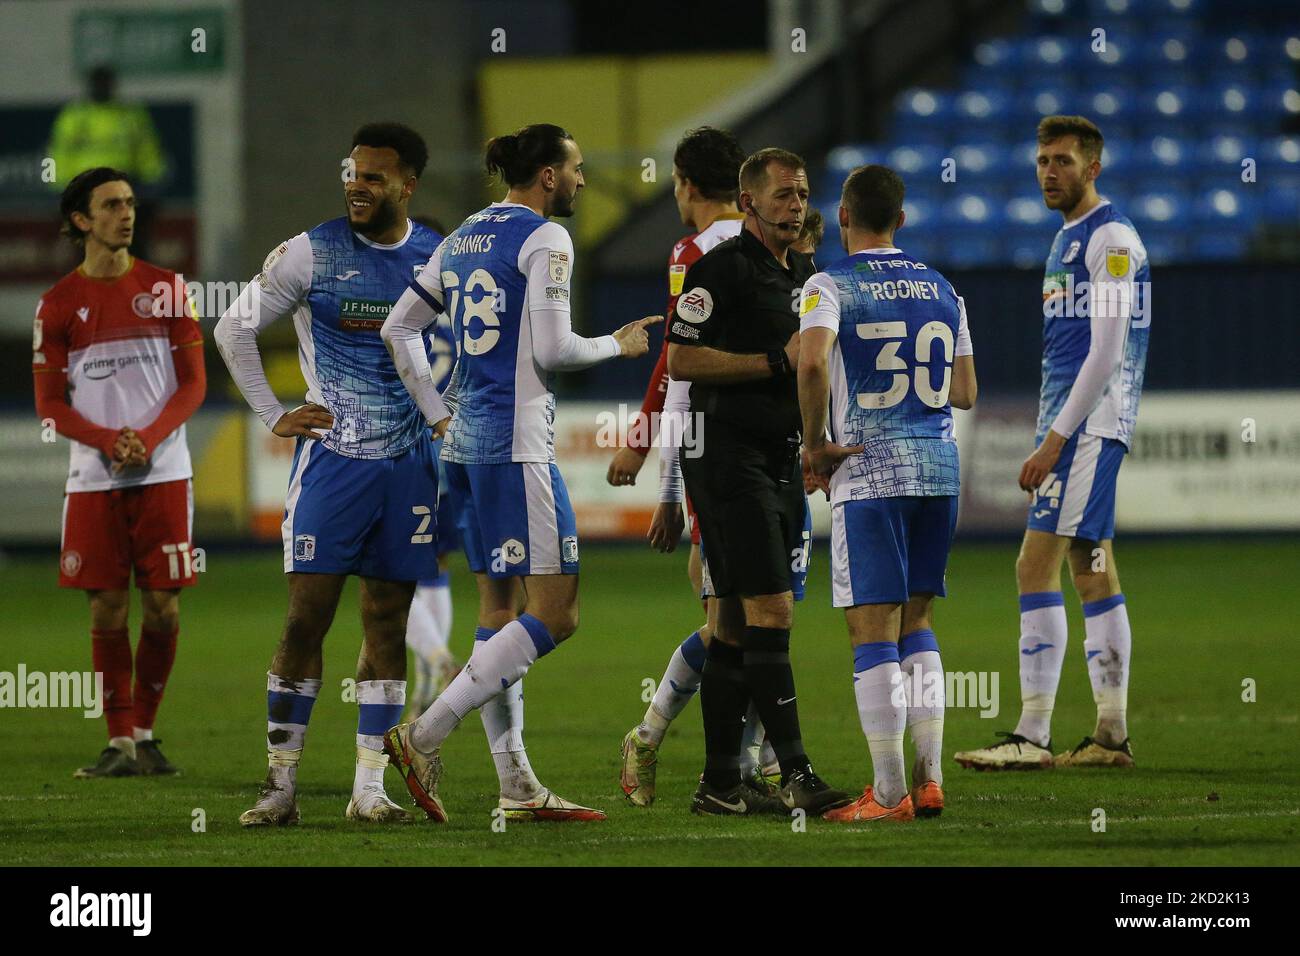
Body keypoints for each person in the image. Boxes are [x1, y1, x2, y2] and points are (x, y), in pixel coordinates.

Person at [381, 123, 658, 821]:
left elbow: (398, 327)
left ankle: (516, 785)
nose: (583, 181)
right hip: (517, 449)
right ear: (546, 177)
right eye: (576, 168)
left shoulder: (464, 234)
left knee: (498, 611)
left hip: (465, 449)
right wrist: (618, 345)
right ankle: (424, 733)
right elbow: (556, 346)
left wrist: (434, 410)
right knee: (556, 613)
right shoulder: (545, 237)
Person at [216, 123, 445, 825]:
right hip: (332, 467)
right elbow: (233, 328)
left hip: (409, 467)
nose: (357, 185)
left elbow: (472, 343)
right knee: (305, 618)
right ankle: (281, 785)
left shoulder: (440, 255)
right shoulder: (310, 253)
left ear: (407, 185)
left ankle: (367, 791)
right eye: (352, 172)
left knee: (387, 622)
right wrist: (271, 412)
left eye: (374, 177)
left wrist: (449, 412)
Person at [954, 115, 1150, 771]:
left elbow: (1108, 353)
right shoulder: (1067, 238)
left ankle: (1031, 736)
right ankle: (1109, 736)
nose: (1048, 172)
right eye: (1041, 160)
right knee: (1090, 569)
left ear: (1092, 168)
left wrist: (1054, 443)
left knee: (1032, 567)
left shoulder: (1111, 238)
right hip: (1077, 425)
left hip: (1088, 428)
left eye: (1062, 161)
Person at [665, 146, 850, 816]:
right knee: (772, 610)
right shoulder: (720, 269)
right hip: (723, 455)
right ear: (747, 203)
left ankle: (720, 784)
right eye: (782, 196)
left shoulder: (802, 270)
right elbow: (682, 358)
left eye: (801, 194)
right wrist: (775, 359)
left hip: (775, 457)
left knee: (738, 626)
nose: (796, 205)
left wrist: (810, 442)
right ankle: (795, 772)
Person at [798, 164, 977, 822]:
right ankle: (930, 778)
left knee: (870, 631)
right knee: (918, 623)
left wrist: (813, 444)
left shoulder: (829, 284)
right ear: (901, 220)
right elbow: (965, 393)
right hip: (937, 469)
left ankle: (889, 793)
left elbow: (812, 360)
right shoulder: (943, 289)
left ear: (843, 218)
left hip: (869, 473)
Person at [34, 167, 205, 778]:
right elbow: (50, 404)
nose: (125, 214)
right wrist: (110, 441)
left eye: (130, 204)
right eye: (110, 205)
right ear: (82, 219)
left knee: (163, 608)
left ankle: (145, 732)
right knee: (107, 611)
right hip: (93, 478)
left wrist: (150, 439)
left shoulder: (166, 288)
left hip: (163, 474)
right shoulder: (56, 304)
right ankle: (120, 743)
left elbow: (194, 384)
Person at [612, 126, 754, 807]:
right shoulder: (760, 248)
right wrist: (668, 479)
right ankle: (657, 739)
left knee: (758, 620)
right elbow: (681, 362)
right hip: (732, 456)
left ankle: (737, 766)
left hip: (735, 452)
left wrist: (648, 450)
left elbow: (675, 361)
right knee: (740, 620)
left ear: (687, 184)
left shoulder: (695, 250)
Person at [47, 66, 166, 259]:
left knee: (133, 250)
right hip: (86, 192)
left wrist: (153, 184)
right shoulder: (74, 116)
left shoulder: (130, 114)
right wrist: (59, 190)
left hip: (124, 189)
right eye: (98, 83)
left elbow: (148, 152)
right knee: (89, 252)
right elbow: (58, 155)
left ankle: (136, 289)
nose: (102, 87)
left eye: (106, 83)